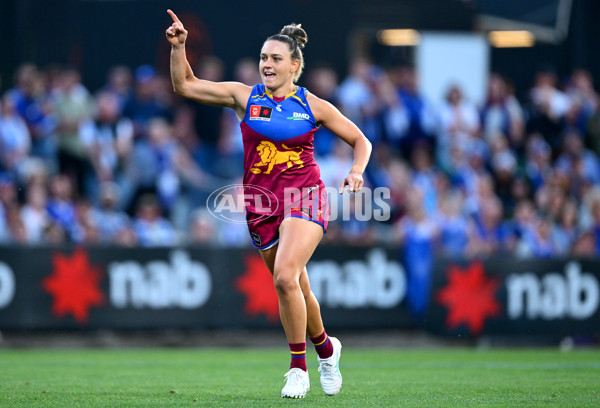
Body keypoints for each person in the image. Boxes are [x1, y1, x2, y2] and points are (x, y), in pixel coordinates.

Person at [166, 10, 372, 399]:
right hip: (261, 204)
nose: (267, 64)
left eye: (276, 59)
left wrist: (356, 171)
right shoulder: (244, 96)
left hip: (306, 195)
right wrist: (180, 48)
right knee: (295, 285)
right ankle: (327, 349)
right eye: (263, 58)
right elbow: (185, 86)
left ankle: (298, 367)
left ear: (295, 65)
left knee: (284, 276)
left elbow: (361, 140)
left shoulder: (313, 105)